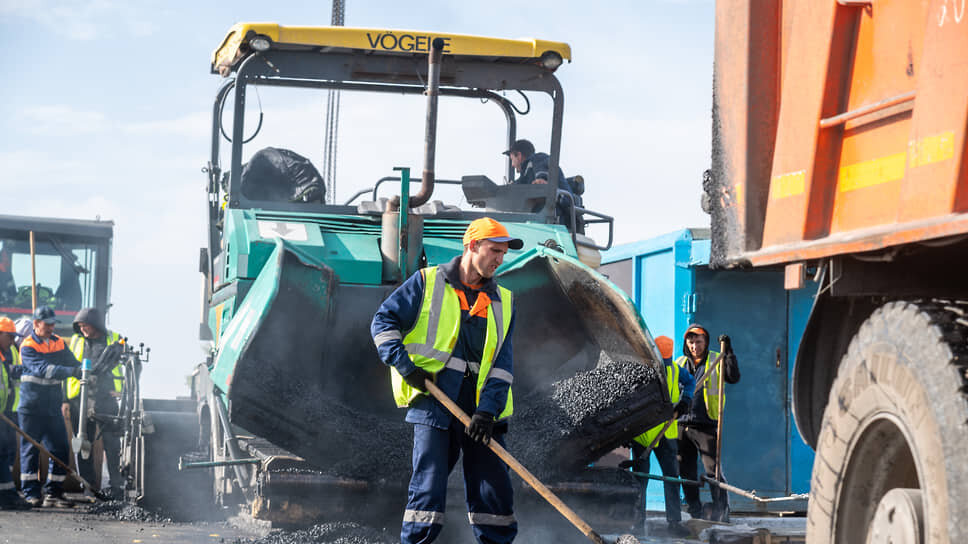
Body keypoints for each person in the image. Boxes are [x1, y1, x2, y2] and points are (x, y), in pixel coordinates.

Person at [371, 217, 520, 544]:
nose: (499, 259)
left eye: (503, 253)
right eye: (494, 250)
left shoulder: (503, 302)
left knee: (494, 491)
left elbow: (501, 367)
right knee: (429, 486)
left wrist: (487, 412)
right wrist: (406, 368)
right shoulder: (427, 282)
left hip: (481, 413)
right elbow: (383, 323)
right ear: (472, 246)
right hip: (434, 403)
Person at [622, 335, 694, 537]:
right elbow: (627, 402)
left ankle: (674, 522)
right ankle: (637, 523)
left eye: (666, 361)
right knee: (641, 479)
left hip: (665, 433)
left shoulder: (674, 370)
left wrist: (685, 401)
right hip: (643, 435)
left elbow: (690, 382)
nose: (664, 365)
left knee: (671, 477)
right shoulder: (640, 371)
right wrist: (626, 430)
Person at [18, 305, 82, 508]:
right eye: (48, 324)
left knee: (60, 449)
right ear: (36, 324)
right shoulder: (28, 346)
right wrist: (71, 371)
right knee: (31, 450)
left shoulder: (58, 343)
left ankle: (53, 493)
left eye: (53, 324)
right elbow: (45, 370)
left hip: (52, 407)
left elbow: (74, 363)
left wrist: (83, 369)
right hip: (31, 407)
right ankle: (31, 494)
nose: (52, 327)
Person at [676, 324, 740, 523]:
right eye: (691, 342)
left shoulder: (716, 358)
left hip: (705, 424)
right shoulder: (679, 363)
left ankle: (722, 510)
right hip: (681, 425)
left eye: (698, 341)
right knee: (685, 471)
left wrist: (728, 353)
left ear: (706, 342)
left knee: (712, 470)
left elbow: (733, 377)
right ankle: (694, 509)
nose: (694, 346)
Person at [64, 307, 124, 499]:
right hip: (79, 399)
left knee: (113, 445)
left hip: (106, 398)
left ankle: (117, 486)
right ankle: (88, 488)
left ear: (96, 325)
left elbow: (129, 367)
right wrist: (65, 399)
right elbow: (67, 370)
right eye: (79, 326)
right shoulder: (76, 341)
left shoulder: (113, 340)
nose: (82, 330)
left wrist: (121, 390)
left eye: (85, 326)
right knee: (83, 445)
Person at [502, 139, 580, 231]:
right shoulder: (526, 175)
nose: (512, 165)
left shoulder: (538, 159)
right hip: (541, 224)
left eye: (512, 159)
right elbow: (518, 186)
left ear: (518, 155)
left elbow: (542, 180)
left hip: (555, 223)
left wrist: (541, 180)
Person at [0, 317, 30, 509]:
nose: (13, 341)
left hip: (4, 413)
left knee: (4, 452)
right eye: (10, 337)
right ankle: (8, 497)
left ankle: (7, 496)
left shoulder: (5, 354)